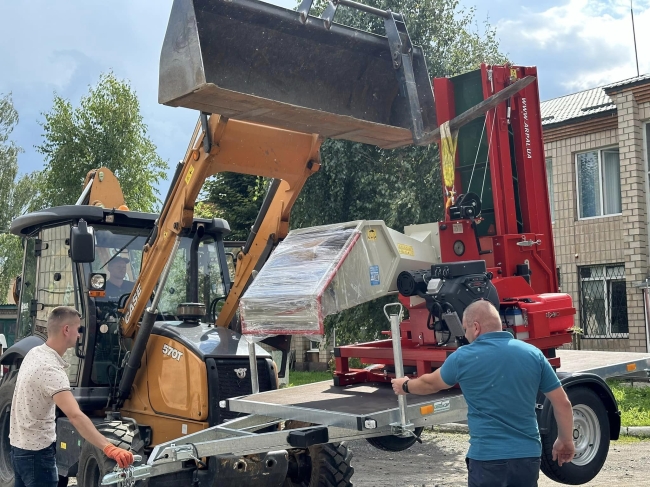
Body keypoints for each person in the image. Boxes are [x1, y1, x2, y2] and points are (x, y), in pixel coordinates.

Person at [392, 300, 575, 487]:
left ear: (476, 327)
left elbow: (430, 384)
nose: (466, 335)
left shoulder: (463, 357)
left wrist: (405, 385)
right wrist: (565, 440)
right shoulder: (533, 354)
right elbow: (563, 403)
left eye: (466, 329)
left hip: (486, 459)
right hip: (527, 457)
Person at [10, 306, 134, 487]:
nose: (79, 335)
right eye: (78, 329)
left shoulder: (34, 354)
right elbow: (75, 416)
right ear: (66, 330)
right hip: (37, 457)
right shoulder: (51, 369)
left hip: (19, 450)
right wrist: (108, 447)